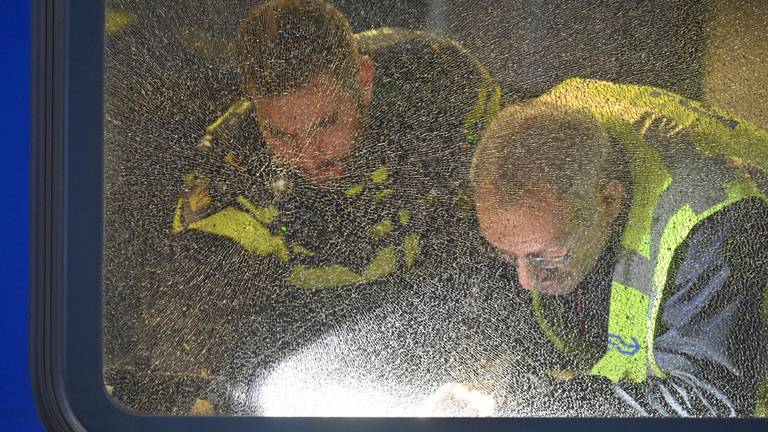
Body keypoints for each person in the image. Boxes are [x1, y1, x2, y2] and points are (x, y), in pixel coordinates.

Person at [109, 0, 504, 415]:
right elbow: (197, 323)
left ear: (364, 81)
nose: (308, 154)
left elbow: (504, 235)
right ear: (254, 108)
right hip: (306, 336)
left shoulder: (444, 89)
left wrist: (483, 369)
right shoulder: (229, 175)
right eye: (279, 134)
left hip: (445, 298)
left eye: (327, 124)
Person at [464, 78, 768, 416]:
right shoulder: (533, 147)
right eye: (507, 254)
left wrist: (549, 402)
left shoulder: (710, 217)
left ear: (608, 201)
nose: (526, 278)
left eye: (543, 254)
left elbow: (716, 404)